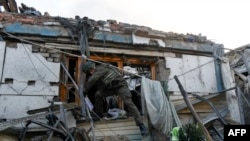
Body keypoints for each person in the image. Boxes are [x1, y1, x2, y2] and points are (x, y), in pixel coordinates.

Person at [82, 61, 149, 136]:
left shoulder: (101, 68)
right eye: (89, 72)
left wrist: (85, 90)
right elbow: (100, 87)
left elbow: (92, 80)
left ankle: (141, 125)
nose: (91, 72)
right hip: (111, 89)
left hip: (121, 86)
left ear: (93, 67)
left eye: (91, 70)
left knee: (129, 103)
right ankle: (99, 114)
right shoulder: (98, 75)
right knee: (98, 94)